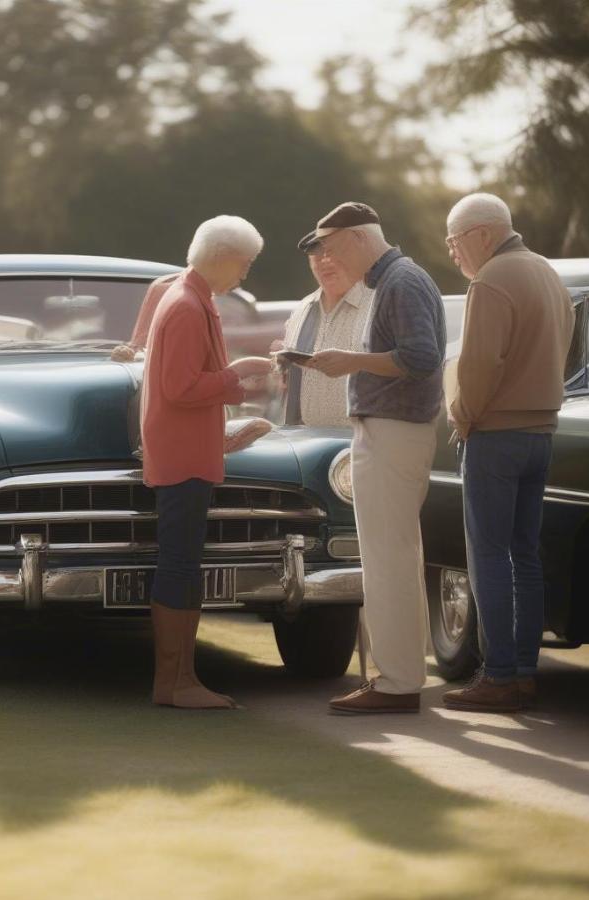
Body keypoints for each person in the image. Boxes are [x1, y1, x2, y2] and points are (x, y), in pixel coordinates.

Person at [296, 202, 446, 714]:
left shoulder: (400, 282)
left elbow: (423, 359)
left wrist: (351, 362)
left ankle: (398, 683)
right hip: (394, 430)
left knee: (388, 560)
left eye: (332, 247)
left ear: (359, 239)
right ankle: (400, 676)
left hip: (393, 431)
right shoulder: (401, 279)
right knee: (394, 557)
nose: (329, 259)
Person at [441, 193, 575, 713]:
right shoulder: (545, 270)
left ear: (481, 234)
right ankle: (521, 672)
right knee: (525, 556)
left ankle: (497, 676)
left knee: (488, 555)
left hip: (496, 435)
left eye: (454, 241)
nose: (453, 253)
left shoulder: (492, 279)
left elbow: (477, 365)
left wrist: (462, 415)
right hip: (542, 431)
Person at [141, 215, 272, 709]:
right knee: (179, 564)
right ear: (222, 257)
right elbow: (180, 388)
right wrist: (233, 376)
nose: (244, 273)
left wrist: (228, 377)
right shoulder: (186, 305)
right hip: (183, 454)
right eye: (244, 263)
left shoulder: (189, 298)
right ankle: (174, 683)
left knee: (185, 563)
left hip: (187, 450)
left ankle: (181, 680)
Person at [275, 215, 375, 427]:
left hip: (359, 443)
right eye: (316, 253)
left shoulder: (377, 305)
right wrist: (281, 362)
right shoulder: (302, 308)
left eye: (333, 251)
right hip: (303, 440)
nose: (325, 260)